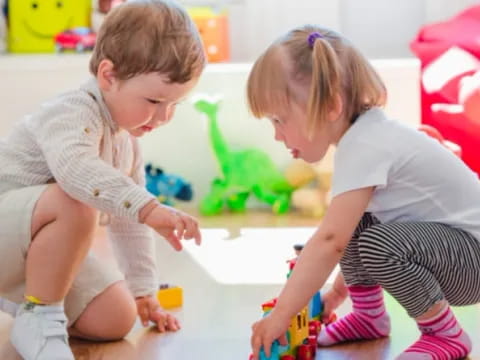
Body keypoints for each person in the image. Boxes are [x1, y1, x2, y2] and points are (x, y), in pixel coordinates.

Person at [247, 25, 480, 360]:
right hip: (456, 252)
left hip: (471, 261)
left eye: (279, 120)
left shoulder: (365, 146)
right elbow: (347, 233)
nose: (277, 136)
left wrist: (282, 313)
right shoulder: (365, 136)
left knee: (375, 242)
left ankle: (445, 334)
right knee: (357, 221)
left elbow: (330, 242)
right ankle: (369, 316)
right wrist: (334, 297)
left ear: (329, 107)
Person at [0, 1, 206, 359]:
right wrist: (147, 207)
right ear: (108, 76)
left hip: (29, 253)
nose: (164, 116)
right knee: (74, 199)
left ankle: (31, 306)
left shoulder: (127, 140)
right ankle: (40, 316)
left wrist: (144, 292)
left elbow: (129, 219)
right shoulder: (70, 112)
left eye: (175, 104)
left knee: (115, 316)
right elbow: (77, 171)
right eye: (155, 100)